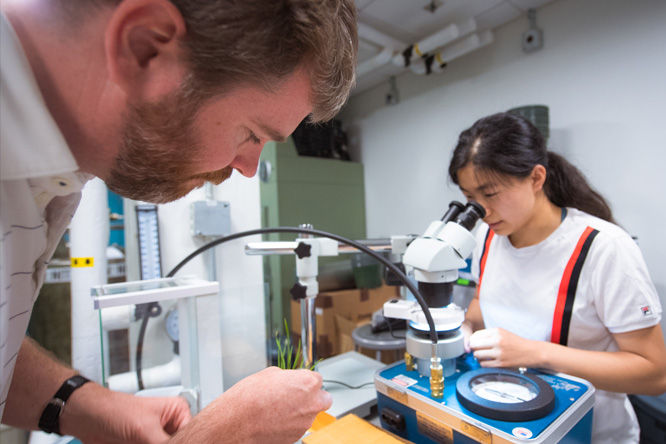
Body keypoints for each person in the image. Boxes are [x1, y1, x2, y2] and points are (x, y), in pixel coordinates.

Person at [0, 0, 357, 442]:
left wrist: (86, 405)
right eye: (252, 133)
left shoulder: (48, 174)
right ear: (145, 47)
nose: (249, 168)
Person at [448, 112, 666, 443]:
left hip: (589, 433)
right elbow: (483, 299)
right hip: (510, 424)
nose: (481, 211)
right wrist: (464, 327)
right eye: (469, 199)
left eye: (489, 194)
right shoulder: (488, 237)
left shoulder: (603, 248)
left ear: (536, 179)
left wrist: (537, 353)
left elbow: (654, 373)